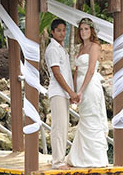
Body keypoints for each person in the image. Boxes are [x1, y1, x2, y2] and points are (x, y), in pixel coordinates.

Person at [66, 18, 109, 167]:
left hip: (90, 87)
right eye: (81, 29)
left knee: (92, 118)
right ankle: (82, 157)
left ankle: (96, 159)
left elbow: (91, 70)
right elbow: (77, 70)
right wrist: (73, 92)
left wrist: (82, 90)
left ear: (91, 31)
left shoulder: (94, 46)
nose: (83, 32)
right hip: (80, 88)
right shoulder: (80, 48)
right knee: (84, 119)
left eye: (86, 29)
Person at [45, 19, 79, 169]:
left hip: (63, 93)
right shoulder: (52, 49)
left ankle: (58, 158)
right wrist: (70, 92)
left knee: (63, 127)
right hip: (58, 92)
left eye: (64, 30)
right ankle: (57, 162)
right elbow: (57, 73)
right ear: (52, 32)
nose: (62, 33)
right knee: (58, 127)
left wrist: (70, 93)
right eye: (58, 30)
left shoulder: (61, 49)